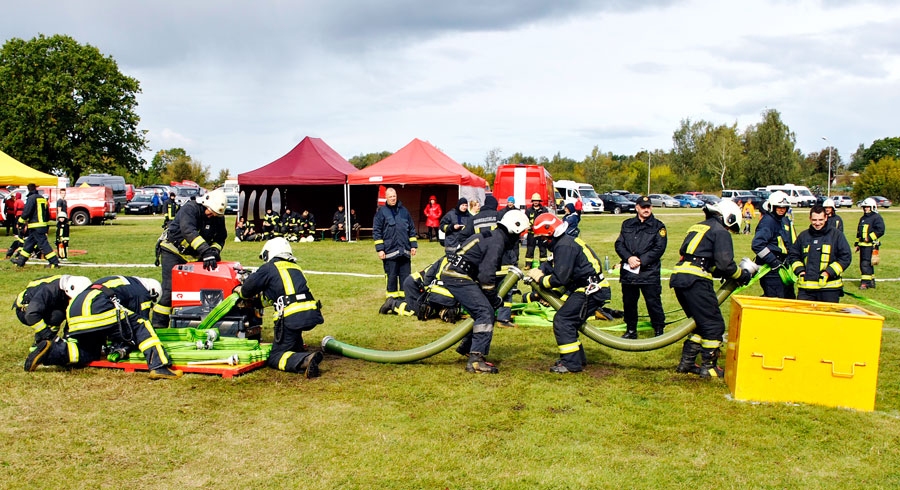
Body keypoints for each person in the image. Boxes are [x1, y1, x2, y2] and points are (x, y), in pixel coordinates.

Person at [24, 276, 183, 379]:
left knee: (88, 351)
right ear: (153, 293)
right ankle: (159, 366)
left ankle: (50, 353)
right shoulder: (142, 292)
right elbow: (137, 323)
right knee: (142, 325)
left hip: (74, 312)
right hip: (98, 308)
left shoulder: (124, 282)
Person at [671, 199, 753, 378]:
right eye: (730, 227)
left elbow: (702, 258)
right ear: (729, 218)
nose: (729, 231)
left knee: (700, 323)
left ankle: (687, 363)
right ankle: (709, 367)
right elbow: (725, 264)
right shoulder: (720, 232)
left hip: (680, 277)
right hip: (696, 281)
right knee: (713, 324)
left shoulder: (699, 226)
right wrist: (742, 275)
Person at [442, 209, 529, 373]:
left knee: (483, 310)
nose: (520, 238)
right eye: (521, 234)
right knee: (484, 312)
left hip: (458, 274)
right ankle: (476, 360)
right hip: (458, 276)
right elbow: (486, 276)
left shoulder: (493, 236)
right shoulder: (497, 242)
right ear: (514, 229)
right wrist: (493, 298)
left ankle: (468, 348)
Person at [528, 213, 611, 373]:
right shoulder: (566, 242)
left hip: (590, 290)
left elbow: (560, 278)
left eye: (542, 237)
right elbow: (558, 269)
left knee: (564, 320)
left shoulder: (564, 246)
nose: (542, 241)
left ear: (550, 233)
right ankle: (576, 358)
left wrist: (540, 279)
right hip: (589, 288)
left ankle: (571, 364)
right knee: (569, 321)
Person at [235, 238, 324, 377]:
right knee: (292, 345)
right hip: (309, 314)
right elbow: (276, 294)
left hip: (291, 317)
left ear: (270, 252)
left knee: (275, 356)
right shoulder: (295, 267)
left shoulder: (269, 268)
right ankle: (298, 350)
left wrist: (239, 292)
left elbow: (247, 290)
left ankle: (305, 360)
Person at [153, 189, 228, 330]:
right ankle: (158, 325)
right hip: (174, 251)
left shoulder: (218, 217)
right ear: (205, 203)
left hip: (196, 254)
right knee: (169, 290)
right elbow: (188, 231)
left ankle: (193, 323)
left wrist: (214, 251)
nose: (212, 216)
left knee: (200, 289)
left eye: (215, 214)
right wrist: (206, 251)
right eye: (210, 212)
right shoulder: (190, 209)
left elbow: (220, 238)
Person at [615, 195, 667, 338]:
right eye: (643, 207)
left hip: (649, 272)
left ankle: (658, 330)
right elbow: (619, 244)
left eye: (648, 207)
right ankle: (631, 330)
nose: (646, 209)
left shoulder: (658, 226)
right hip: (629, 271)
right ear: (637, 207)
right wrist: (629, 258)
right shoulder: (627, 224)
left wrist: (641, 261)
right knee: (629, 303)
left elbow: (659, 248)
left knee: (653, 302)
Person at [788, 205, 852, 303]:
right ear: (810, 219)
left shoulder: (836, 235)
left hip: (829, 289)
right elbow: (793, 255)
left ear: (826, 218)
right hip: (806, 290)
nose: (817, 223)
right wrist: (800, 271)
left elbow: (845, 257)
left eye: (820, 220)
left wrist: (828, 272)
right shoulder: (803, 236)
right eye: (814, 220)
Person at [14, 274, 91, 346]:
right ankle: (41, 344)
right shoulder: (50, 290)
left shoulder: (70, 287)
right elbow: (31, 315)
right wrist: (49, 336)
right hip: (25, 309)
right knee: (57, 316)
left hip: (43, 306)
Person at [373, 187, 418, 310]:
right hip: (390, 251)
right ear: (386, 198)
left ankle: (405, 298)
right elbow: (377, 231)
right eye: (390, 197)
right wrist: (380, 249)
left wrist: (413, 245)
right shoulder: (381, 212)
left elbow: (411, 229)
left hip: (405, 250)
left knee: (405, 276)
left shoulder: (404, 211)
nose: (393, 198)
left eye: (394, 196)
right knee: (391, 276)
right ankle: (391, 300)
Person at [751, 191, 796, 299]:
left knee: (788, 299)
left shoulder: (780, 220)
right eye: (779, 207)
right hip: (771, 271)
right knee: (776, 300)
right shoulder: (768, 222)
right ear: (772, 206)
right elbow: (757, 245)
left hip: (782, 268)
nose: (782, 210)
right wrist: (773, 261)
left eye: (784, 207)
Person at [11, 183, 60, 269]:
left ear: (28, 189)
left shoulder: (31, 198)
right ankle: (20, 261)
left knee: (43, 244)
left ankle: (54, 262)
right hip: (41, 225)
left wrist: (20, 222)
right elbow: (47, 213)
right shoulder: (42, 198)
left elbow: (27, 211)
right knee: (29, 244)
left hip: (35, 225)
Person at [495, 196, 521, 327]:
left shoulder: (496, 232)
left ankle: (489, 316)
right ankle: (503, 319)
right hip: (505, 263)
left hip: (493, 265)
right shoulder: (507, 237)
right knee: (507, 290)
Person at [856, 198, 885, 290]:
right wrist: (858, 244)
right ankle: (871, 281)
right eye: (864, 207)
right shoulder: (863, 218)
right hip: (863, 245)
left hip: (870, 245)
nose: (865, 209)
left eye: (867, 207)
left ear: (873, 207)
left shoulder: (876, 217)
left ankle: (865, 283)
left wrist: (869, 238)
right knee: (867, 263)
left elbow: (880, 230)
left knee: (865, 264)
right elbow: (859, 232)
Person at [524, 193, 549, 269]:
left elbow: (547, 220)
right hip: (531, 233)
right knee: (530, 249)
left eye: (537, 200)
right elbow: (525, 220)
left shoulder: (544, 210)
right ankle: (528, 265)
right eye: (534, 200)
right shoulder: (528, 210)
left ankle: (543, 265)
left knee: (543, 249)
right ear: (532, 201)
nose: (535, 202)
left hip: (541, 233)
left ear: (539, 201)